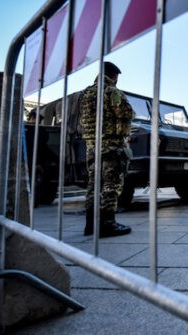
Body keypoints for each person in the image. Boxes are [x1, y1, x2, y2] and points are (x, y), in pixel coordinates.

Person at [80, 62, 133, 238]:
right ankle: (107, 224)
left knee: (94, 184)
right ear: (114, 76)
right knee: (111, 184)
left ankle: (90, 225)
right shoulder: (111, 91)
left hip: (91, 146)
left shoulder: (86, 93)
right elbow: (126, 113)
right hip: (110, 145)